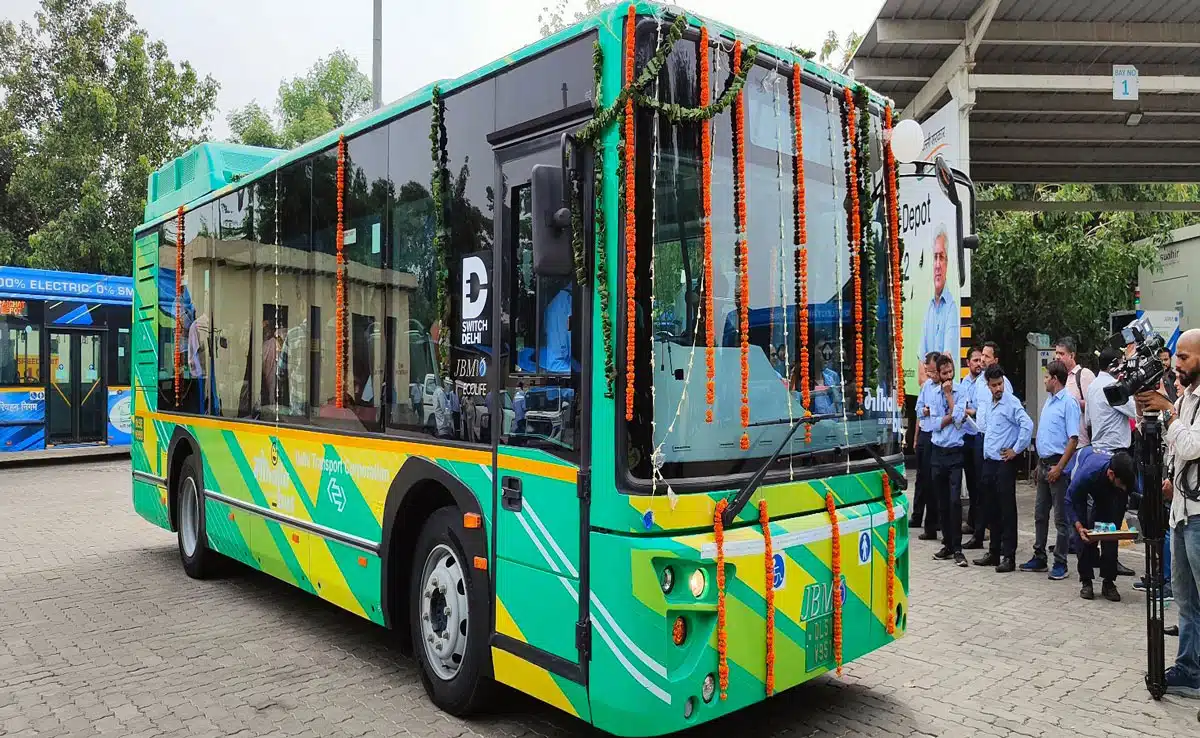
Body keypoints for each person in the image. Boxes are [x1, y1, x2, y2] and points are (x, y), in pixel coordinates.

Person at [1136, 328, 1200, 697]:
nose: (1177, 365)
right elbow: (1176, 448)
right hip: (1181, 510)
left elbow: (1192, 445)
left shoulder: (1188, 401)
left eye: (1184, 358)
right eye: (1176, 357)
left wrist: (1170, 411)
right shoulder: (1187, 396)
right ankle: (1188, 669)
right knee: (1186, 600)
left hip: (1199, 516)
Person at [1021, 360, 1082, 580]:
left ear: (1055, 379)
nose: (1044, 380)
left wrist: (1060, 466)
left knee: (1060, 518)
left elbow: (1073, 440)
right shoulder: (1049, 402)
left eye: (1047, 377)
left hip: (1058, 466)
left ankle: (1061, 562)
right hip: (1044, 464)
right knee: (1040, 514)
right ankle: (1039, 557)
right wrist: (1039, 465)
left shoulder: (1068, 403)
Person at [973, 365, 1033, 573]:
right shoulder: (989, 403)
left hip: (1004, 464)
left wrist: (1016, 450)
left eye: (999, 384)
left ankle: (1009, 556)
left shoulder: (1012, 403)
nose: (997, 388)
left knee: (1007, 510)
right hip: (989, 462)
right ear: (988, 386)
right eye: (993, 385)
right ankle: (994, 551)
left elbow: (1027, 425)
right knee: (991, 508)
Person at [1086, 346, 1140, 577]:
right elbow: (1135, 411)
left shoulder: (1092, 386)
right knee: (1115, 513)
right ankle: (1111, 564)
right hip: (1116, 457)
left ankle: (1093, 560)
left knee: (1099, 512)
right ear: (1114, 365)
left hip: (1098, 452)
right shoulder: (1113, 387)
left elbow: (1088, 419)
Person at [1065, 450, 1136, 601]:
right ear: (1111, 474)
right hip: (1084, 492)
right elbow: (1069, 500)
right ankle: (1086, 581)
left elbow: (1138, 494)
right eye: (1122, 485)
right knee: (1084, 536)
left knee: (1111, 535)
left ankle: (1108, 582)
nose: (1124, 488)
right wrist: (1078, 526)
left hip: (1110, 495)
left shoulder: (1126, 477)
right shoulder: (1087, 474)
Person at [928, 353, 970, 567]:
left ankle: (958, 548)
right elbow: (934, 423)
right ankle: (947, 543)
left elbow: (959, 419)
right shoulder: (932, 393)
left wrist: (949, 398)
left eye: (950, 373)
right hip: (938, 451)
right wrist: (950, 417)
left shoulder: (960, 391)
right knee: (942, 502)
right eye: (943, 374)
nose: (947, 377)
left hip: (955, 452)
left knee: (954, 501)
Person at [917, 228, 958, 385]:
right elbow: (921, 364)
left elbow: (946, 361)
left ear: (947, 264)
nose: (938, 265)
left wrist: (933, 376)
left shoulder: (951, 307)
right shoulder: (929, 307)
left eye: (942, 257)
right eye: (935, 258)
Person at [913, 352, 943, 539]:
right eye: (928, 371)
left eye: (932, 371)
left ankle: (939, 522)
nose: (930, 374)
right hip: (926, 435)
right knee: (924, 479)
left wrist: (931, 411)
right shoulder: (926, 388)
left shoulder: (948, 389)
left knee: (937, 481)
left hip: (939, 436)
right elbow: (919, 409)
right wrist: (926, 410)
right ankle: (928, 526)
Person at [958, 348, 985, 548]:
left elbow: (980, 410)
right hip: (965, 436)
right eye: (975, 360)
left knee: (979, 483)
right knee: (971, 481)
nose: (978, 363)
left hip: (979, 435)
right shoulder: (964, 383)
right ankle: (973, 522)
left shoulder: (984, 383)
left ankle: (982, 528)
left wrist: (968, 410)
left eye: (980, 360)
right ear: (968, 363)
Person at [1056, 337, 1096, 449]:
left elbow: (1095, 405)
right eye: (1056, 353)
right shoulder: (1057, 378)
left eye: (1061, 353)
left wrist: (1073, 403)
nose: (1057, 357)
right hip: (1062, 445)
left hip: (1081, 443)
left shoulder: (1084, 375)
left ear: (1072, 356)